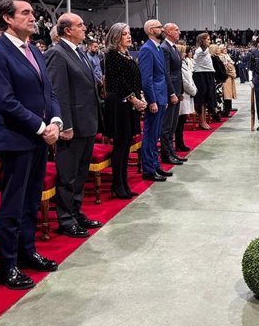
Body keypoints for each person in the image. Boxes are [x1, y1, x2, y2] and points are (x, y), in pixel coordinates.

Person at [0, 0, 62, 290]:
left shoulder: (34, 50)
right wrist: (41, 127)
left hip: (40, 137)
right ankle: (8, 264)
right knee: (13, 203)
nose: (32, 17)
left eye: (32, 12)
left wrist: (55, 122)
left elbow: (49, 93)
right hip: (17, 138)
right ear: (7, 18)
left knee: (31, 200)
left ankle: (28, 251)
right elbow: (5, 101)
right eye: (25, 13)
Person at [45, 14, 102, 239]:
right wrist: (65, 124)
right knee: (67, 176)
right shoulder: (57, 53)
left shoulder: (79, 52)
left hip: (86, 121)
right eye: (79, 25)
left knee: (80, 174)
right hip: (72, 125)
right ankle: (66, 219)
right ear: (67, 30)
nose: (84, 28)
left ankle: (76, 213)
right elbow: (58, 92)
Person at [103, 23, 146, 198]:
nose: (129, 36)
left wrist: (140, 97)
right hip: (119, 104)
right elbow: (117, 83)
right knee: (120, 145)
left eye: (129, 33)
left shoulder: (126, 55)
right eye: (124, 34)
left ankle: (124, 183)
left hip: (130, 104)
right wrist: (134, 99)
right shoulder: (112, 56)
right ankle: (117, 184)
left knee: (127, 143)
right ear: (115, 37)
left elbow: (134, 80)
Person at [138, 19, 173, 182]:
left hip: (161, 97)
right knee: (150, 134)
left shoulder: (157, 48)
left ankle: (155, 164)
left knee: (156, 134)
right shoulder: (147, 49)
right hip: (155, 98)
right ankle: (149, 169)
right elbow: (147, 79)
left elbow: (161, 76)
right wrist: (151, 100)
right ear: (151, 30)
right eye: (160, 27)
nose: (163, 29)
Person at [159, 23, 185, 166]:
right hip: (171, 92)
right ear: (168, 32)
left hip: (177, 89)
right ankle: (166, 153)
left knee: (173, 124)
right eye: (176, 30)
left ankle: (171, 152)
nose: (179, 32)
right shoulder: (165, 48)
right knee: (167, 125)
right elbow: (166, 73)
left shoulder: (173, 47)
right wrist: (172, 93)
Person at [193, 32, 215, 130]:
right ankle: (202, 121)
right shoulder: (199, 50)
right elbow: (196, 57)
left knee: (206, 99)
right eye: (208, 39)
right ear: (202, 41)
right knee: (202, 99)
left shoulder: (206, 50)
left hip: (207, 73)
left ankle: (204, 120)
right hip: (201, 75)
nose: (209, 41)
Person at [177, 45, 196, 151]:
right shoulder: (180, 65)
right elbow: (184, 81)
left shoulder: (184, 63)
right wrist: (193, 90)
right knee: (179, 122)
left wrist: (194, 89)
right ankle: (179, 144)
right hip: (183, 94)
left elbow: (189, 78)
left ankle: (180, 143)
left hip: (187, 94)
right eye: (183, 52)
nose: (186, 54)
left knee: (182, 121)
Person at [220, 45, 237, 117]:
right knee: (226, 95)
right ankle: (226, 111)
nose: (225, 49)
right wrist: (232, 72)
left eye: (225, 48)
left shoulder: (226, 56)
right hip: (226, 77)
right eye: (223, 49)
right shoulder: (222, 57)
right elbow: (227, 68)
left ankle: (229, 108)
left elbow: (231, 66)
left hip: (230, 77)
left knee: (229, 94)